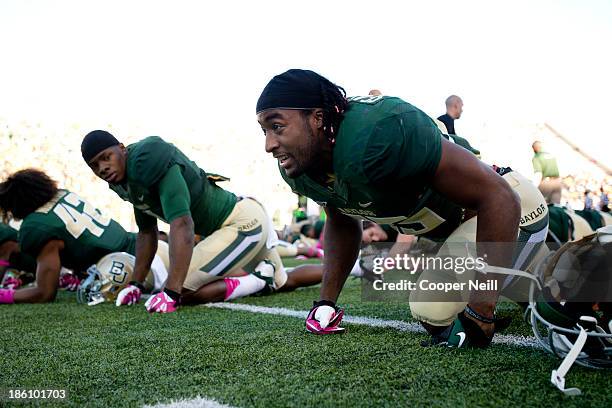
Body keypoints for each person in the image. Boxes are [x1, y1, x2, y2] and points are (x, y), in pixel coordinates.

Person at [256, 69, 549, 347]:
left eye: (277, 127)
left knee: (432, 307)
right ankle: (539, 283)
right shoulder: (303, 167)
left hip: (508, 210)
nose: (269, 145)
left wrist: (481, 310)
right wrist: (326, 302)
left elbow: (500, 198)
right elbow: (342, 221)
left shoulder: (378, 133)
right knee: (542, 303)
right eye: (265, 130)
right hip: (462, 230)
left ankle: (544, 273)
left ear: (317, 118)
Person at [82, 131, 322, 313]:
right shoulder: (125, 182)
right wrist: (136, 283)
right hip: (243, 219)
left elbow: (182, 224)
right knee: (283, 281)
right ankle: (355, 267)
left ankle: (256, 281)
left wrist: (172, 290)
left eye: (106, 157)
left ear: (122, 149)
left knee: (179, 288)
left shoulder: (148, 160)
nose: (102, 168)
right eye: (95, 165)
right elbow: (146, 233)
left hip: (241, 224)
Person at [0, 169, 168, 304]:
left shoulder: (36, 225)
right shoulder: (62, 195)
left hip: (138, 267)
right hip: (154, 250)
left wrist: (5, 296)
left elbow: (45, 293)